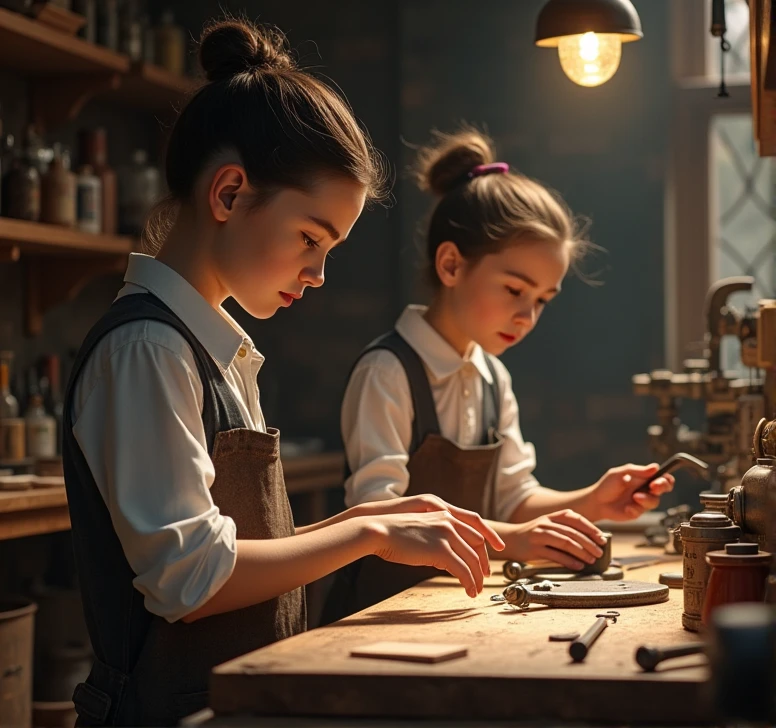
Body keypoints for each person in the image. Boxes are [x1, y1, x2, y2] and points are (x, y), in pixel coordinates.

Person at [62, 24, 503, 727]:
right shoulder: (146, 349)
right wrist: (367, 537)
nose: (319, 274)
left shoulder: (214, 349)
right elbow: (193, 580)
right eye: (310, 238)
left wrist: (370, 514)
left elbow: (233, 549)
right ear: (230, 193)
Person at [322, 128, 674, 622]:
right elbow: (381, 517)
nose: (527, 317)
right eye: (514, 290)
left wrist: (594, 500)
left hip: (453, 607)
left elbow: (514, 499)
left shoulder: (492, 377)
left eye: (542, 301)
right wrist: (513, 541)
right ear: (450, 264)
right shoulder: (388, 371)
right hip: (377, 618)